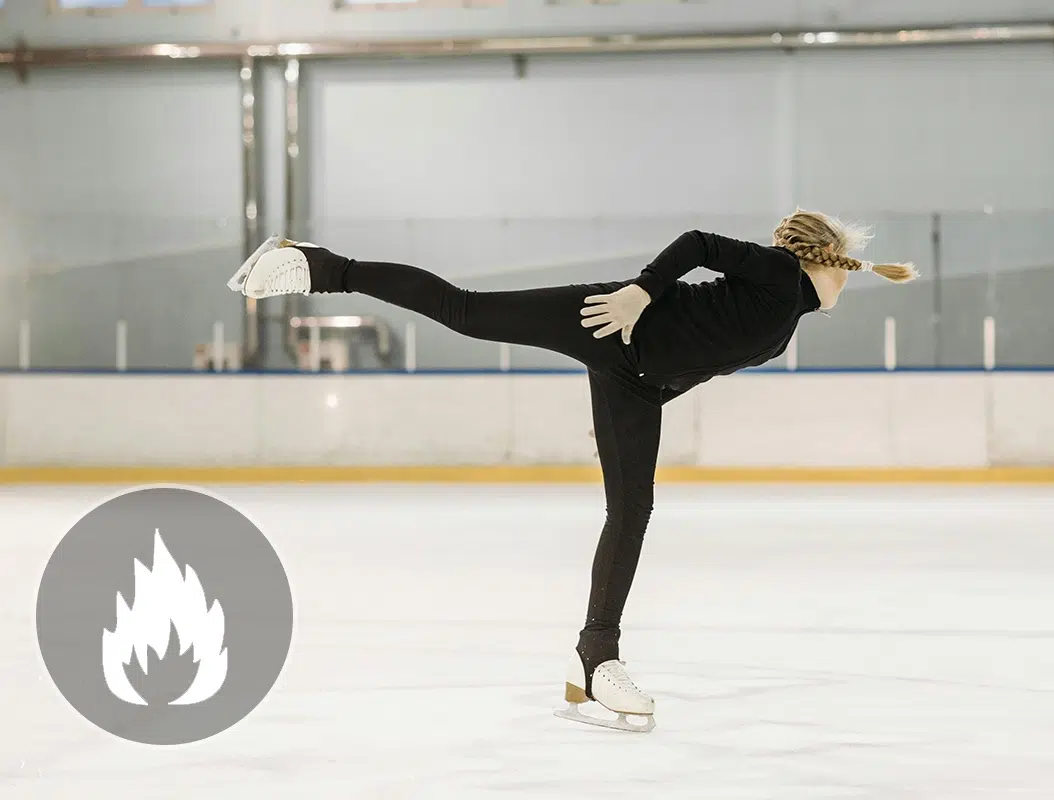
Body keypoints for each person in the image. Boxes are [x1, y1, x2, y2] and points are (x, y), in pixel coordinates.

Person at [227, 209, 916, 733]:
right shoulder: (780, 275)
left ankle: (595, 659)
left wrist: (634, 403)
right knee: (467, 311)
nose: (845, 292)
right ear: (828, 263)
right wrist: (643, 293)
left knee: (633, 510)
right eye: (847, 279)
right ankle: (318, 267)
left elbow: (697, 359)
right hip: (605, 319)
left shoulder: (781, 328)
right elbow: (701, 244)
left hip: (636, 382)